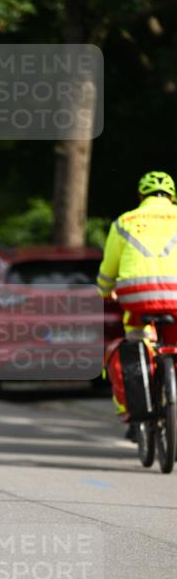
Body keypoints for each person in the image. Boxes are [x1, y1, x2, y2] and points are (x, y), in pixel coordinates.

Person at [97, 170, 177, 418]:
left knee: (136, 338)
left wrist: (104, 292)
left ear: (141, 195)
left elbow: (109, 268)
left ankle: (143, 380)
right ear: (172, 197)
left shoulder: (125, 221)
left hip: (135, 296)